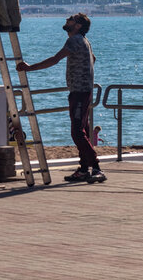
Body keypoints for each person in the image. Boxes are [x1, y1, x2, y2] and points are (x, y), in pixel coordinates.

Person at [16, 13, 105, 183]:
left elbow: (55, 59)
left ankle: (97, 168)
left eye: (71, 18)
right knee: (82, 131)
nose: (67, 20)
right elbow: (93, 58)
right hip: (84, 91)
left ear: (78, 25)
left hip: (79, 92)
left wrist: (29, 68)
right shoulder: (84, 41)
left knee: (77, 132)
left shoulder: (75, 40)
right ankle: (84, 169)